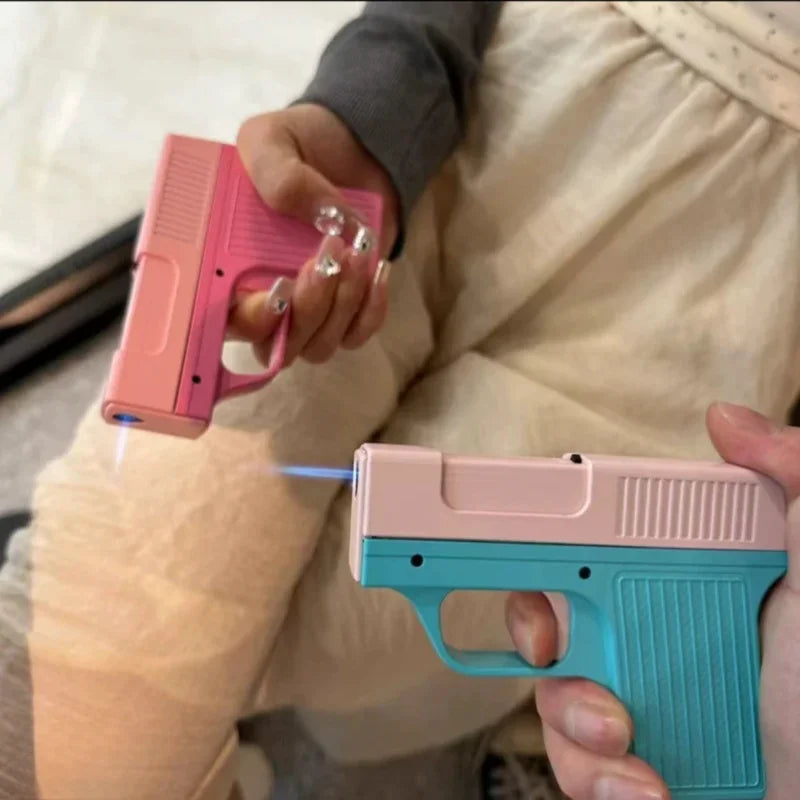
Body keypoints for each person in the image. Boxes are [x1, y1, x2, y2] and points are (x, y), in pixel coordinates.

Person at [2, 3, 800, 800]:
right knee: (109, 632)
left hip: (720, 295)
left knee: (331, 639)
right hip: (463, 128)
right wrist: (370, 107)